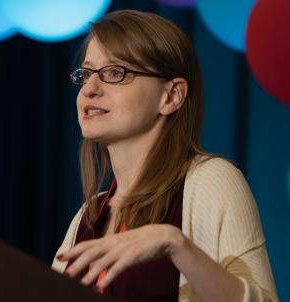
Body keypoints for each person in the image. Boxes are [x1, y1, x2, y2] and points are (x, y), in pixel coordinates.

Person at [52, 9, 278, 302]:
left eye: (115, 73)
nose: (90, 90)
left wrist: (175, 244)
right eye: (85, 74)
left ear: (171, 96)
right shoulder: (87, 216)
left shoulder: (210, 182)